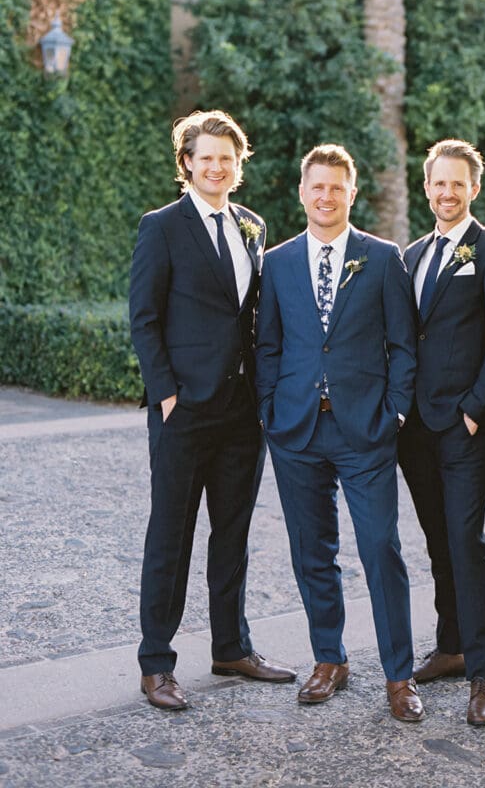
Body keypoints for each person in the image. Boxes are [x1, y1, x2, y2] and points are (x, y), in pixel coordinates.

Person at [129, 109, 295, 711]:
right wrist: (166, 393)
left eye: (228, 158)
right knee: (170, 536)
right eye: (207, 157)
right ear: (187, 164)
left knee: (233, 533)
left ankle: (231, 646)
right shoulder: (161, 227)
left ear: (238, 164)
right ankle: (156, 663)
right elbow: (144, 318)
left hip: (241, 412)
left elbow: (253, 316)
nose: (218, 167)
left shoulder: (253, 224)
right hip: (184, 411)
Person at [255, 144, 423, 722]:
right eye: (316, 187)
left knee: (381, 549)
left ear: (352, 194)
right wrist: (269, 412)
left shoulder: (381, 258)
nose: (326, 197)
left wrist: (395, 411)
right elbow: (269, 346)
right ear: (301, 192)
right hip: (296, 430)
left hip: (365, 432)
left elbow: (403, 345)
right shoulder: (275, 263)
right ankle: (330, 659)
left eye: (336, 188)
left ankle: (399, 676)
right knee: (312, 552)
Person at [398, 139, 485, 727]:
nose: (447, 193)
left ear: (474, 189)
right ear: (425, 188)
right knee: (436, 541)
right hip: (415, 430)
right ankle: (449, 646)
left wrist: (478, 408)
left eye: (458, 184)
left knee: (466, 542)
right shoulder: (412, 253)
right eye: (437, 183)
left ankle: (482, 674)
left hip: (464, 425)